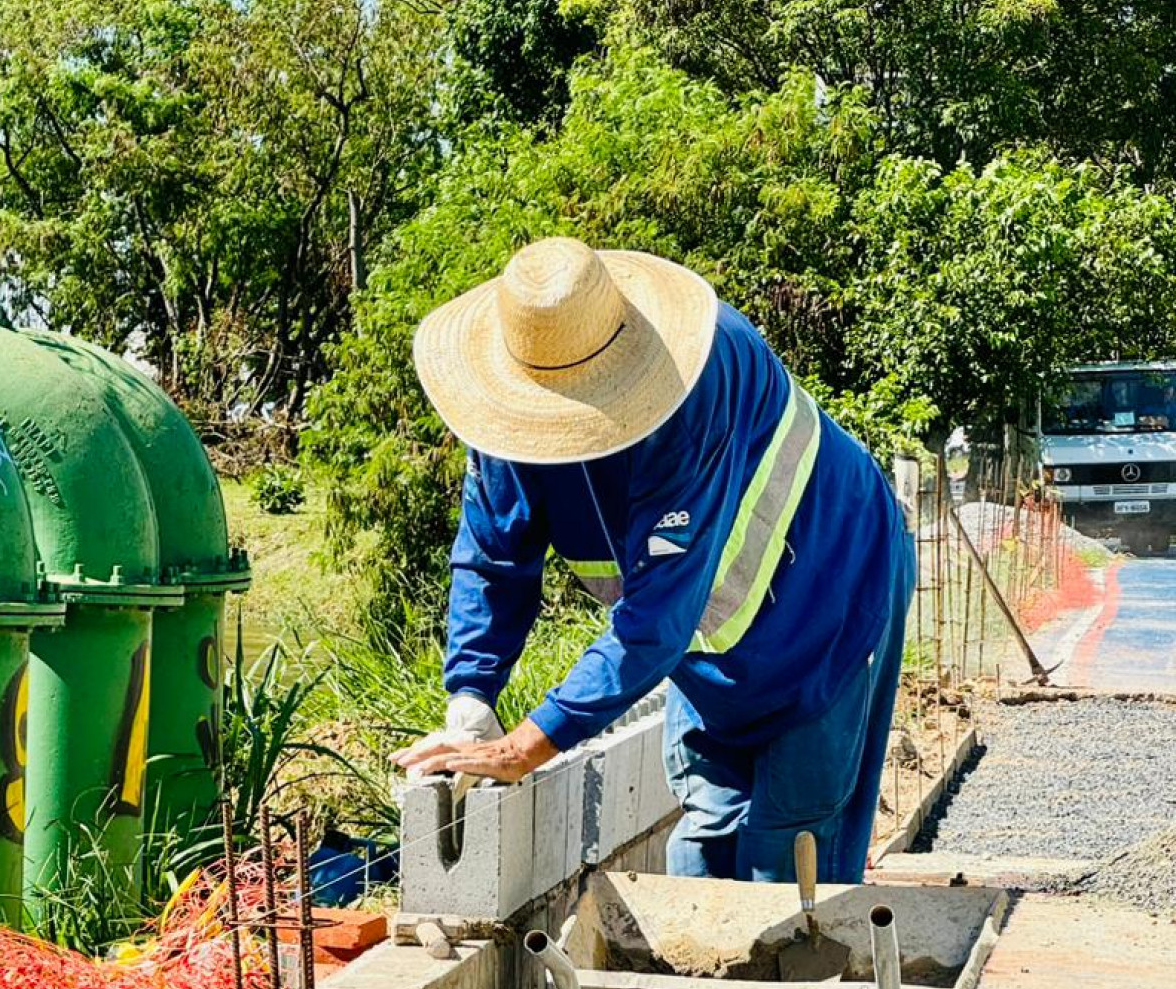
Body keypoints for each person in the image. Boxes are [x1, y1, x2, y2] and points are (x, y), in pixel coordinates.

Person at [391, 237, 914, 884]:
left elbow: (655, 621)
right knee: (703, 836)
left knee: (790, 850)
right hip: (706, 637)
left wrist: (521, 747)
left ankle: (802, 981)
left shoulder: (694, 388)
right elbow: (494, 561)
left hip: (827, 592)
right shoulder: (511, 412)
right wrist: (470, 695)